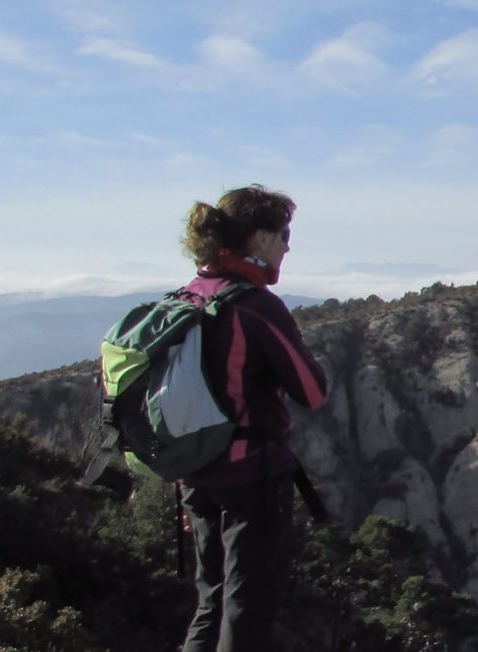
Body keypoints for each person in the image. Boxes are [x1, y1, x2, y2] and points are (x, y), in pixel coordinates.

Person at [176, 184, 328, 651]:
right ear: (258, 239)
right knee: (247, 611)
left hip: (195, 476)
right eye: (282, 234)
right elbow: (312, 391)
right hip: (252, 477)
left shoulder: (187, 297)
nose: (287, 246)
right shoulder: (256, 306)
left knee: (212, 600)